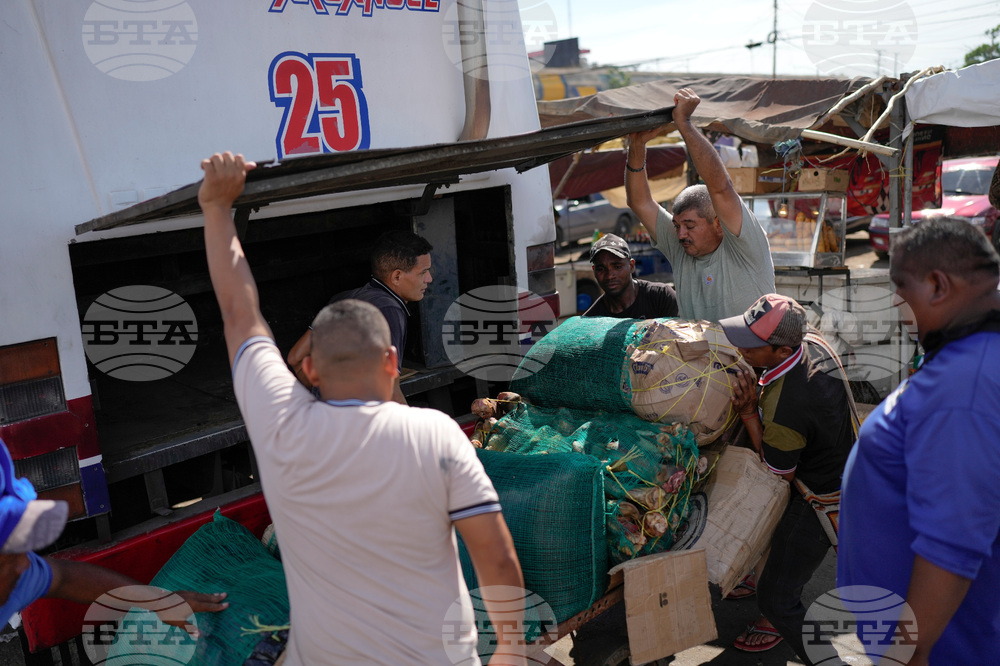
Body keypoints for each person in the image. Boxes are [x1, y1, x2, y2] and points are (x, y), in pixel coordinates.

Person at [199, 152, 525, 665]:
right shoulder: (437, 437)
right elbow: (497, 558)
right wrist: (509, 649)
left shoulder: (280, 429)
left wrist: (217, 209)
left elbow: (241, 315)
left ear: (310, 370)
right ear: (392, 361)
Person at [838, 217, 1000, 665]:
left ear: (937, 285)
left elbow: (953, 542)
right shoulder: (966, 357)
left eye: (901, 287)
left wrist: (907, 650)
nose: (896, 302)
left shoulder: (963, 388)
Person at [720, 294, 856, 660]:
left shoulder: (790, 405)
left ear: (782, 351)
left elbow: (777, 473)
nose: (740, 348)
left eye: (751, 345)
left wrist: (750, 411)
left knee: (777, 598)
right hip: (847, 462)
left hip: (821, 499)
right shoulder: (812, 343)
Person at [0, 437, 227, 635]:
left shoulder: (17, 570)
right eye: (7, 561)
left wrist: (160, 602)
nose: (25, 565)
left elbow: (63, 578)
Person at [625, 88, 775, 322]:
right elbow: (639, 202)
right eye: (677, 226)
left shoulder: (743, 244)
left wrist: (684, 123)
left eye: (690, 225)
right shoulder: (681, 247)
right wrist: (637, 145)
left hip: (752, 358)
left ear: (718, 224)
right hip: (701, 358)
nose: (681, 234)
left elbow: (720, 188)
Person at [286, 230, 433, 405]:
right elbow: (390, 392)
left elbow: (296, 358)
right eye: (423, 272)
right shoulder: (388, 309)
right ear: (397, 276)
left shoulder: (343, 299)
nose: (429, 279)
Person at [582, 234, 678, 319]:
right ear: (594, 271)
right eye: (601, 269)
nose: (610, 276)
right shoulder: (593, 320)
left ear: (631, 266)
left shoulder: (662, 297)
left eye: (617, 267)